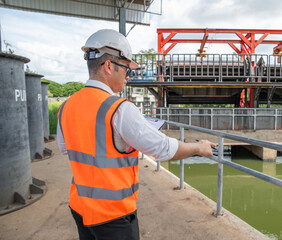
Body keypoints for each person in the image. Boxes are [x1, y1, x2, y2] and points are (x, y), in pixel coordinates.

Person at [57, 29, 216, 240]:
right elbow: (163, 149)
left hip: (80, 207)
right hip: (112, 216)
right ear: (108, 66)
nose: (128, 76)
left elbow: (67, 149)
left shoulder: (66, 106)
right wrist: (198, 148)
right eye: (126, 69)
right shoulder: (120, 109)